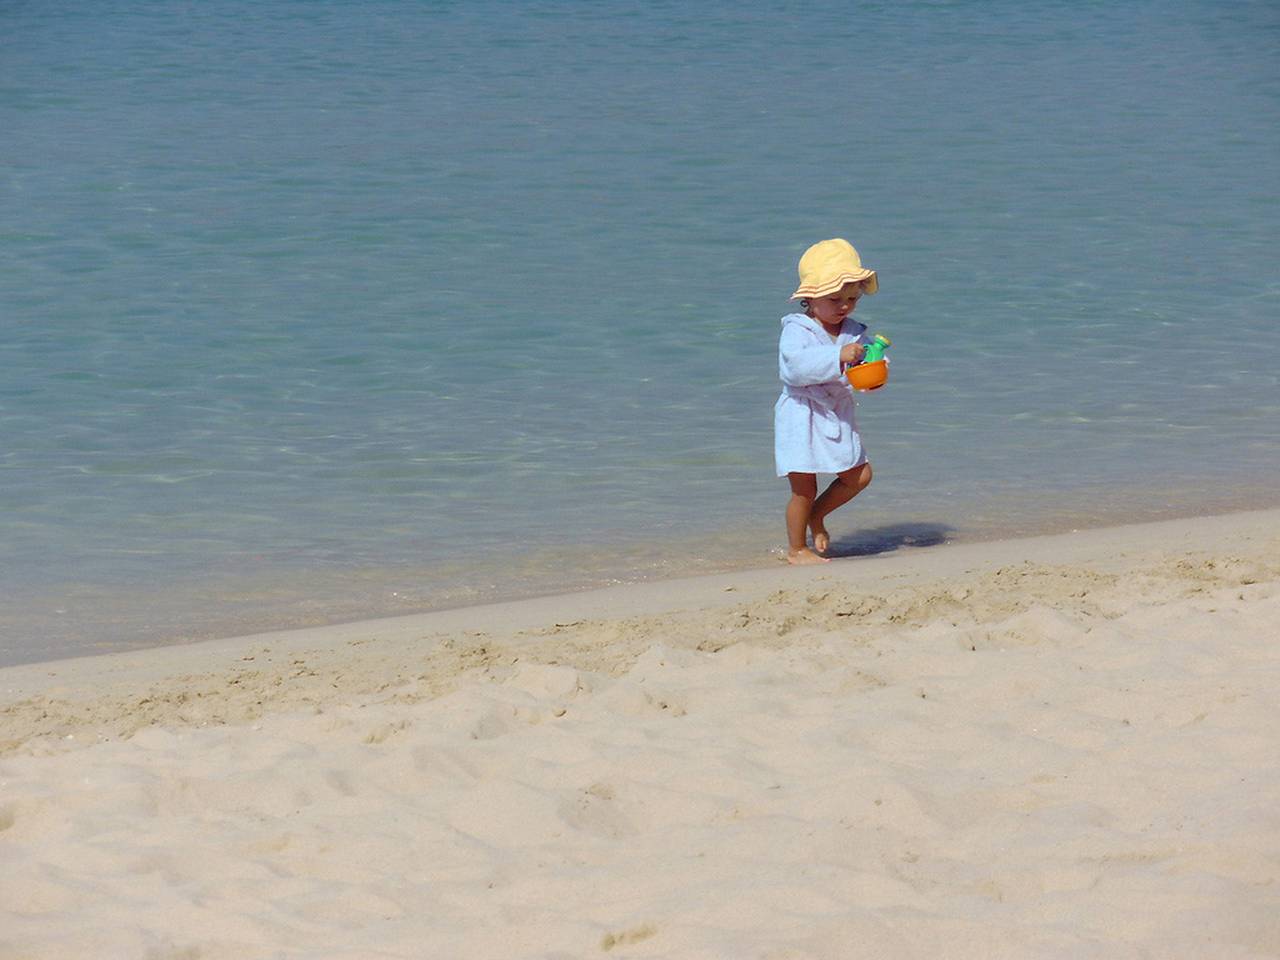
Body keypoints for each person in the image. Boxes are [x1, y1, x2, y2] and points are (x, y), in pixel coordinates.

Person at [773, 238, 880, 565]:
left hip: (836, 413)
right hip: (802, 415)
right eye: (834, 299)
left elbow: (864, 361)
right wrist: (837, 355)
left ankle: (817, 517)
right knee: (803, 488)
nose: (844, 306)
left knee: (859, 476)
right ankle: (796, 549)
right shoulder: (797, 329)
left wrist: (873, 371)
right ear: (809, 298)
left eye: (852, 298)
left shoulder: (854, 331)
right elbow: (793, 368)